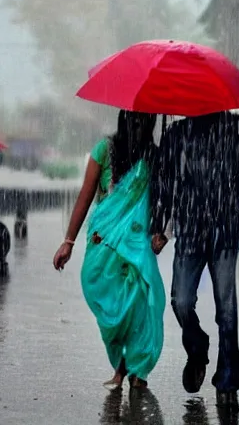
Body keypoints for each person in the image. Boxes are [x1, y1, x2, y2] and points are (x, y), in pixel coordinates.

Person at [150, 111, 239, 408]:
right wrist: (160, 227)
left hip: (226, 230)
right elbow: (164, 183)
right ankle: (197, 347)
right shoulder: (176, 134)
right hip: (190, 231)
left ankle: (228, 376)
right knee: (180, 300)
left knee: (226, 307)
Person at [53, 111, 166, 389]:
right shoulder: (104, 150)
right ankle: (120, 365)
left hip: (137, 244)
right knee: (112, 311)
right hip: (103, 246)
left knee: (138, 307)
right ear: (124, 120)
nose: (139, 124)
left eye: (146, 120)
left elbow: (164, 197)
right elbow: (86, 194)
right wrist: (68, 241)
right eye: (135, 119)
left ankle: (136, 369)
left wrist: (163, 230)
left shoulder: (155, 156)